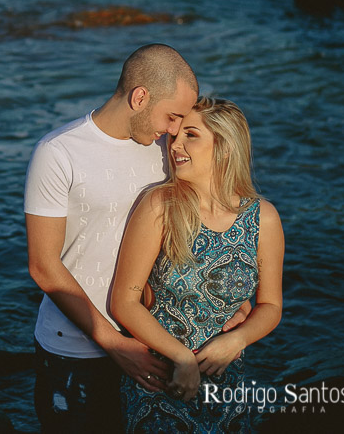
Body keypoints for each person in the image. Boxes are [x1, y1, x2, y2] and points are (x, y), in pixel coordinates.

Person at [25, 43, 227, 432]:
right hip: (74, 351)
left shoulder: (166, 150)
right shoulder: (58, 152)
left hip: (153, 342)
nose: (175, 130)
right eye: (172, 116)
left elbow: (198, 222)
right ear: (139, 97)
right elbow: (43, 266)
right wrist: (115, 344)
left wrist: (226, 298)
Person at [110, 97, 284, 432]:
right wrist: (182, 357)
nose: (174, 144)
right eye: (175, 135)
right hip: (160, 379)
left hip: (226, 384)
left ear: (225, 148)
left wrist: (238, 340)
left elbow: (271, 305)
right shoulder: (161, 206)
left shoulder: (263, 218)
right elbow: (125, 301)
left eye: (191, 135)